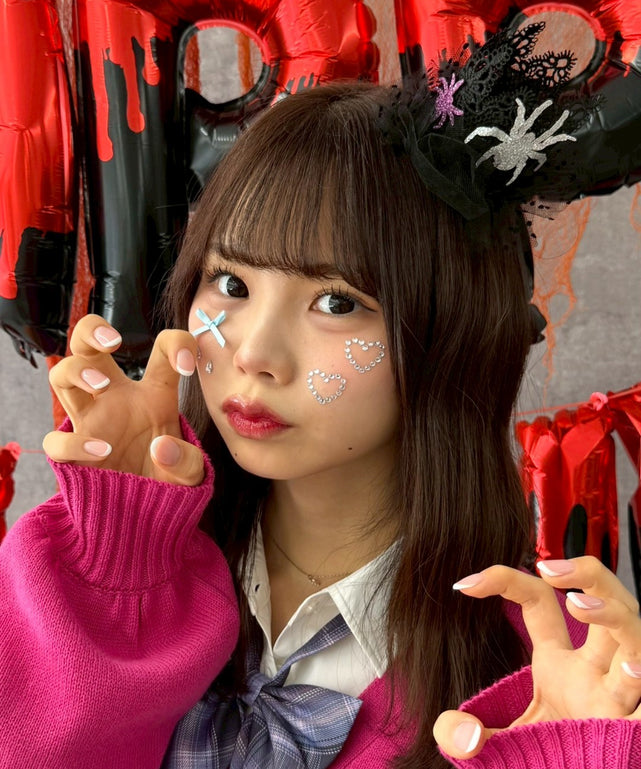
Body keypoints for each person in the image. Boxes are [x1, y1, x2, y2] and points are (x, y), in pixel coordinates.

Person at [1, 75, 641, 768]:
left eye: (336, 302)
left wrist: (566, 754)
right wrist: (116, 564)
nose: (254, 354)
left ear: (450, 335)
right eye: (231, 284)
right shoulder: (99, 565)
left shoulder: (555, 675)